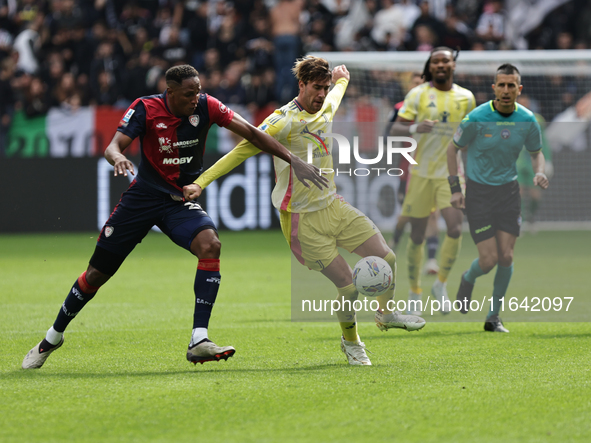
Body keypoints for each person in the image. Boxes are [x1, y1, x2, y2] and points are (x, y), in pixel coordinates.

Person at [22, 64, 327, 369]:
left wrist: (293, 160)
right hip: (142, 198)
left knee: (210, 245)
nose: (196, 98)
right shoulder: (146, 109)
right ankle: (53, 336)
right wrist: (117, 157)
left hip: (178, 200)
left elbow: (252, 133)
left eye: (198, 91)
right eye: (188, 93)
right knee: (96, 275)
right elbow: (114, 146)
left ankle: (199, 339)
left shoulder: (207, 106)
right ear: (170, 92)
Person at [185, 56, 426, 366]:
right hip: (302, 221)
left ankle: (386, 312)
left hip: (334, 206)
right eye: (316, 88)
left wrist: (341, 79)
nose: (322, 95)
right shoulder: (280, 121)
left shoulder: (326, 104)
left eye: (325, 88)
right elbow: (240, 151)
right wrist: (201, 182)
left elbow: (337, 93)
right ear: (301, 85)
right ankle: (352, 343)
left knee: (387, 257)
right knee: (349, 287)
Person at [448, 64, 550, 332]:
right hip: (479, 193)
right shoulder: (477, 118)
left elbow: (536, 152)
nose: (506, 90)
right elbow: (452, 149)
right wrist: (455, 189)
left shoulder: (528, 120)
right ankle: (468, 278)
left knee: (506, 256)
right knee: (488, 260)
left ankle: (493, 317)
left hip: (508, 192)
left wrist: (539, 172)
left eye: (511, 85)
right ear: (494, 88)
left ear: (519, 88)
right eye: (501, 85)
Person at [390, 47, 476, 315]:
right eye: (435, 61)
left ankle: (440, 284)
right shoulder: (417, 94)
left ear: (453, 65)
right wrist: (415, 127)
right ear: (431, 66)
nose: (440, 65)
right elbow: (395, 128)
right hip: (420, 173)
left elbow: (470, 138)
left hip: (451, 174)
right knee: (416, 236)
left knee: (453, 227)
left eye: (445, 61)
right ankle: (415, 290)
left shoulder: (466, 98)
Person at [386, 72, 441, 275]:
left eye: (421, 84)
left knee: (432, 215)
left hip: (433, 169)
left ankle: (432, 261)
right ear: (409, 86)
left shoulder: (437, 110)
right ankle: (393, 243)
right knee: (407, 216)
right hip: (408, 171)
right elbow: (388, 135)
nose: (418, 87)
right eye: (414, 83)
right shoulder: (401, 109)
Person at [516, 95, 553, 233]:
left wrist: (548, 160)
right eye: (521, 103)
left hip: (533, 162)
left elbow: (544, 141)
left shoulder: (538, 119)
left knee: (535, 195)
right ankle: (519, 221)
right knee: (517, 194)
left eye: (526, 103)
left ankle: (530, 217)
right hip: (517, 163)